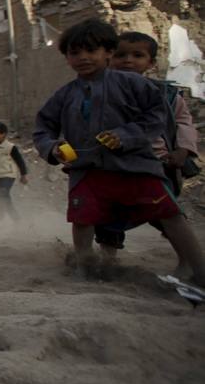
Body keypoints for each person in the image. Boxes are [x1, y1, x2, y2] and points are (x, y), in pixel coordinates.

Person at [31, 18, 205, 282]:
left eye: (91, 51)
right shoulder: (64, 95)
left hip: (136, 167)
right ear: (66, 57)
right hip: (87, 171)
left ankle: (196, 268)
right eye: (74, 53)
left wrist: (125, 136)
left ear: (108, 53)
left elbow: (158, 116)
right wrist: (53, 148)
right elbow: (43, 128)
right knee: (83, 218)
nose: (83, 58)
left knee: (169, 215)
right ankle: (85, 265)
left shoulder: (135, 85)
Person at [92, 30, 201, 273]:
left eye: (137, 55)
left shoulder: (167, 95)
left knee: (168, 215)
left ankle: (190, 264)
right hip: (111, 167)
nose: (128, 60)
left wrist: (183, 151)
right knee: (108, 219)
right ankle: (107, 261)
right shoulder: (96, 93)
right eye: (121, 55)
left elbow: (183, 123)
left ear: (150, 63)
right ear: (109, 58)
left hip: (154, 165)